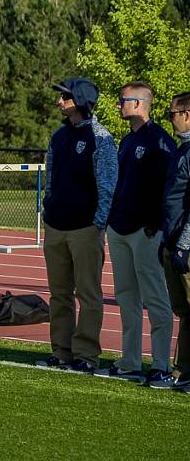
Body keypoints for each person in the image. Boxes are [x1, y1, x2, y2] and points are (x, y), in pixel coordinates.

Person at [96, 82, 175, 386]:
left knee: (155, 298)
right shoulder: (127, 141)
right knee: (126, 297)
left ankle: (161, 365)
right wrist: (112, 220)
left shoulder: (159, 141)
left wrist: (156, 224)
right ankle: (129, 361)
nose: (118, 105)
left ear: (139, 104)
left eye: (122, 100)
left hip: (145, 231)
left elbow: (168, 190)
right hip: (120, 228)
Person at [37, 78, 117, 373]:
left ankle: (86, 355)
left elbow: (108, 184)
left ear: (80, 100)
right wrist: (48, 209)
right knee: (59, 294)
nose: (59, 101)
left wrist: (98, 223)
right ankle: (62, 351)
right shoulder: (58, 137)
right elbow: (51, 177)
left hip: (86, 228)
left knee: (88, 293)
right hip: (56, 225)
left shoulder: (101, 137)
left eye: (65, 97)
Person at [161, 91, 190, 392]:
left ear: (187, 114)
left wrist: (183, 243)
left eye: (172, 113)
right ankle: (183, 370)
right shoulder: (181, 150)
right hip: (173, 239)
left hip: (186, 243)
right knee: (184, 311)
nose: (170, 119)